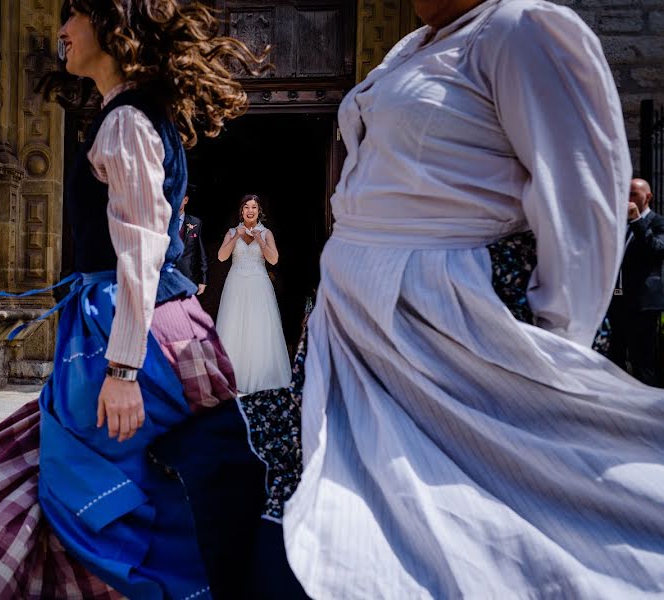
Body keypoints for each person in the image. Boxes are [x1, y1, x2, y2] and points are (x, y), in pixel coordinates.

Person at [0, 2, 269, 598]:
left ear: (112, 28)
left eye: (75, 14)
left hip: (126, 329)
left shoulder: (129, 121)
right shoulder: (128, 114)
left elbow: (140, 253)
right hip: (127, 320)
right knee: (111, 489)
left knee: (99, 497)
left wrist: (123, 368)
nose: (61, 28)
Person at [282, 0, 664, 598]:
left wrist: (548, 356)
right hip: (363, 322)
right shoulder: (408, 48)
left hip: (447, 323)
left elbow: (580, 201)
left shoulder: (519, 29)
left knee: (480, 511)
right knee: (376, 500)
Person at [215, 194, 291, 393]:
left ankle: (261, 378)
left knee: (259, 329)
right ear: (241, 211)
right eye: (246, 207)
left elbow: (273, 260)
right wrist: (237, 236)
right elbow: (222, 257)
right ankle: (233, 378)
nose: (250, 210)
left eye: (254, 207)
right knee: (234, 326)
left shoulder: (266, 233)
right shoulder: (232, 232)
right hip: (236, 285)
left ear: (259, 211)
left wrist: (260, 240)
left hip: (259, 285)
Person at [607, 178, 664, 386]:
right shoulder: (619, 225)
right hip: (617, 301)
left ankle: (650, 410)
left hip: (643, 304)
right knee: (614, 358)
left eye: (633, 194)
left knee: (643, 361)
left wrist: (637, 221)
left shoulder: (657, 222)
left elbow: (656, 251)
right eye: (625, 194)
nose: (627, 199)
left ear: (647, 197)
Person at [174, 184, 208, 294]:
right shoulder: (164, 223)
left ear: (185, 200)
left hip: (189, 277)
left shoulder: (195, 223)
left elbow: (201, 252)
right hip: (168, 277)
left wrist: (203, 280)